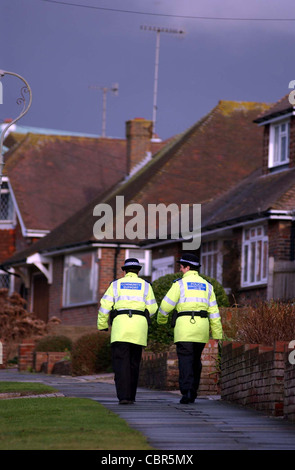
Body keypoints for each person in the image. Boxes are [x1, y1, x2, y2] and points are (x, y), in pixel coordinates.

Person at [157, 252, 223, 404]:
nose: (180, 269)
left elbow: (165, 306)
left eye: (181, 266)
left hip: (184, 328)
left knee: (185, 360)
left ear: (187, 267)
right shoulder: (208, 286)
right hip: (201, 328)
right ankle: (193, 391)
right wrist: (218, 333)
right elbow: (214, 312)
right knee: (195, 360)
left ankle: (186, 391)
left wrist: (161, 320)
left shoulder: (179, 284)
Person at [97, 258, 158, 404]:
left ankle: (123, 397)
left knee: (120, 364)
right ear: (138, 271)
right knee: (134, 363)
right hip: (139, 329)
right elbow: (153, 308)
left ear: (124, 271)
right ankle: (131, 396)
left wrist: (102, 325)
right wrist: (143, 316)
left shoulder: (115, 285)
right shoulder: (145, 285)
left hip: (120, 329)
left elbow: (105, 307)